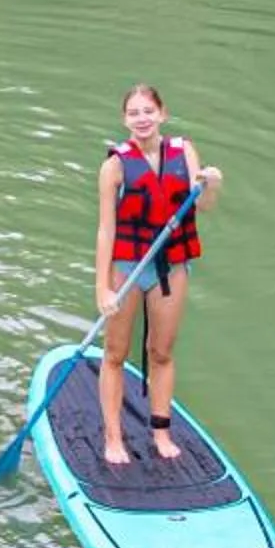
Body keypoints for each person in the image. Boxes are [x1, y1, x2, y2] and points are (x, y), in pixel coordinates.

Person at [94, 84, 221, 465]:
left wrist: (212, 184)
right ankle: (113, 437)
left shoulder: (185, 152)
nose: (142, 119)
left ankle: (160, 432)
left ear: (162, 114)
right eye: (134, 113)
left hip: (170, 266)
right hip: (127, 268)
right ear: (125, 120)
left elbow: (206, 205)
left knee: (161, 352)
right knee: (115, 353)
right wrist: (102, 287)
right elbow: (106, 229)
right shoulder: (114, 165)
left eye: (148, 111)